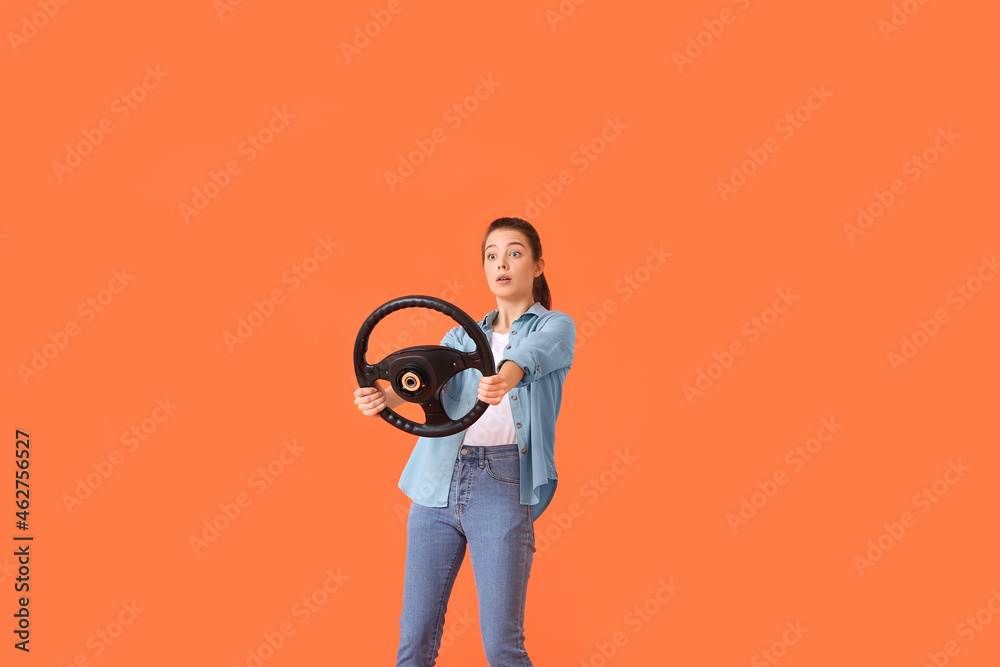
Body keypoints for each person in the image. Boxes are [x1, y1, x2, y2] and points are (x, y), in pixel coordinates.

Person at [353, 217, 575, 666]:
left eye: (514, 253)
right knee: (414, 643)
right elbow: (422, 383)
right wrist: (382, 392)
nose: (502, 263)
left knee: (501, 647)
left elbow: (528, 357)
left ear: (537, 266)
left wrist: (505, 376)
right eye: (492, 255)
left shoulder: (556, 326)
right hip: (436, 485)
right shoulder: (459, 336)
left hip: (504, 485)